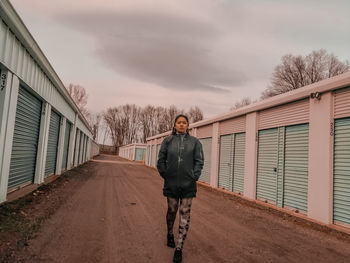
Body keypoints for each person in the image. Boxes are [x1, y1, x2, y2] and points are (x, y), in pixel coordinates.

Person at [157, 114, 204, 263]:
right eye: (179, 122)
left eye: (184, 122)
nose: (182, 125)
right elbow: (160, 160)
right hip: (171, 184)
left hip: (188, 185)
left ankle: (179, 248)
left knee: (185, 214)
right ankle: (170, 233)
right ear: (175, 125)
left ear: (188, 125)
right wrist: (165, 174)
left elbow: (199, 161)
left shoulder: (195, 142)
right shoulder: (168, 141)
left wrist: (194, 176)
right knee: (172, 211)